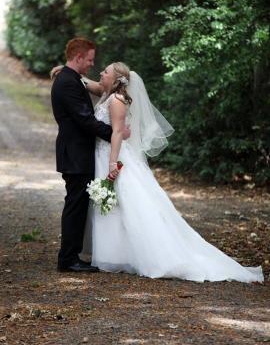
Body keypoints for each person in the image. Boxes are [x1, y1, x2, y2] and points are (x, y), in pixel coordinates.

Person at [78, 61, 263, 283]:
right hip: (103, 154)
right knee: (114, 206)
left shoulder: (116, 100)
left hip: (112, 155)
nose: (100, 72)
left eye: (105, 71)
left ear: (116, 79)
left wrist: (112, 165)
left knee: (124, 204)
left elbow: (117, 133)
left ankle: (143, 255)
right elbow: (95, 87)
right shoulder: (109, 92)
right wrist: (70, 74)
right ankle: (116, 254)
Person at [50, 38, 129, 272]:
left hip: (78, 153)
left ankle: (72, 255)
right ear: (78, 58)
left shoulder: (72, 78)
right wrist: (117, 133)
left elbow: (98, 87)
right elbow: (85, 121)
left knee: (78, 203)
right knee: (75, 204)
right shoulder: (67, 82)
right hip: (75, 154)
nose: (92, 65)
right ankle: (68, 259)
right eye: (90, 60)